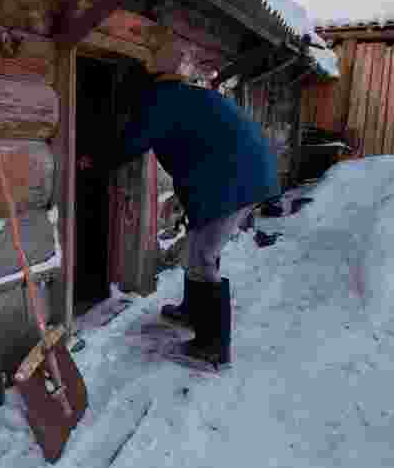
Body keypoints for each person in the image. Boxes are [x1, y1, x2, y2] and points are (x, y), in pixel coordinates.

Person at [79, 65, 280, 367]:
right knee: (198, 247)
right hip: (237, 176)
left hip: (235, 181)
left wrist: (93, 161)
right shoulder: (183, 97)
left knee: (202, 257)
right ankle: (192, 312)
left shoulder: (159, 101)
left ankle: (213, 348)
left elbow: (132, 143)